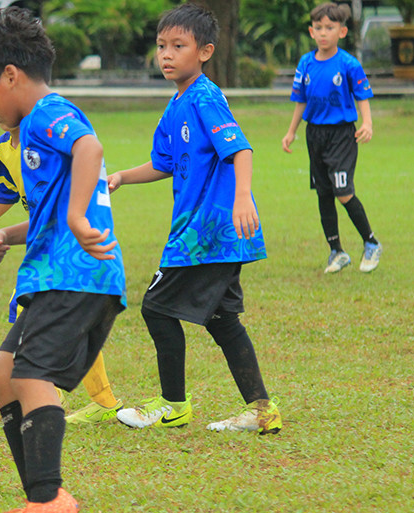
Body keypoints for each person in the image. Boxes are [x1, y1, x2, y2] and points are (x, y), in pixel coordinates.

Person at [0, 7, 127, 513]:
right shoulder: (34, 125)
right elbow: (52, 211)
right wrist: (9, 235)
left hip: (74, 275)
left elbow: (90, 148)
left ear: (10, 75)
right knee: (2, 377)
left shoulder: (46, 114)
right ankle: (40, 500)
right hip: (58, 272)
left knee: (30, 375)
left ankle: (47, 499)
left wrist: (77, 217)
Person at [107, 4, 282, 435]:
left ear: (204, 52)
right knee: (223, 321)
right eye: (161, 46)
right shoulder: (177, 104)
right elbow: (163, 163)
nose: (166, 54)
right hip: (207, 235)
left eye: (178, 46)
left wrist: (242, 197)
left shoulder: (205, 96)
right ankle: (262, 410)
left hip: (208, 234)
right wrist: (123, 177)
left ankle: (173, 404)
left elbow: (241, 149)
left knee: (155, 308)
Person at [0, 124, 124, 426]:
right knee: (55, 321)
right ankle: (87, 398)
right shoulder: (4, 148)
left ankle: (55, 396)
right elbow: (4, 195)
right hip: (43, 242)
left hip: (69, 243)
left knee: (38, 314)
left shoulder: (47, 137)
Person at [282, 2, 382, 274]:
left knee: (343, 192)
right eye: (319, 28)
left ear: (342, 31)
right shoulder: (305, 63)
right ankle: (337, 252)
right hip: (315, 134)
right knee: (324, 194)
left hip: (341, 134)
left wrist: (367, 123)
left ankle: (371, 243)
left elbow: (362, 95)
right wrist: (291, 131)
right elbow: (301, 100)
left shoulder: (348, 64)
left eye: (329, 27)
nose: (323, 33)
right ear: (311, 32)